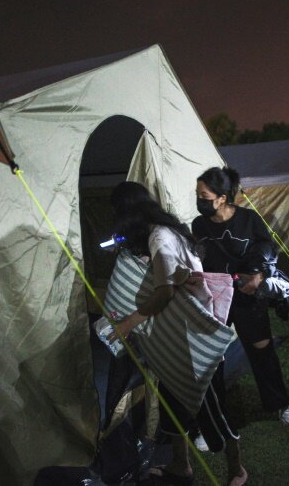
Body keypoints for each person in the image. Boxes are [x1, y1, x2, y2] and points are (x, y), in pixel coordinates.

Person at [106, 181, 248, 486]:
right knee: (173, 403)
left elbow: (165, 292)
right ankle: (181, 465)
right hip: (177, 333)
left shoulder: (160, 236)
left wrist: (129, 322)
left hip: (194, 336)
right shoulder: (162, 232)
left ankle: (237, 470)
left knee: (209, 409)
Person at [192, 167, 289, 425]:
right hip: (215, 300)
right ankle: (216, 417)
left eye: (204, 195)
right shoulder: (198, 224)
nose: (199, 200)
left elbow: (268, 250)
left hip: (247, 298)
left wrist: (258, 277)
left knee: (262, 352)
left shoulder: (249, 220)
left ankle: (280, 404)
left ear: (222, 198)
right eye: (197, 194)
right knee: (212, 358)